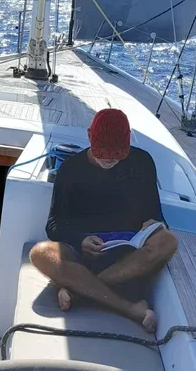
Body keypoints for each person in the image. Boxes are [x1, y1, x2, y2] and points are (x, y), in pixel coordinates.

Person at [29, 108, 178, 332]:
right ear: (89, 137)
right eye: (102, 153)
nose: (109, 160)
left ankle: (79, 290)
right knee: (40, 253)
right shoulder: (71, 169)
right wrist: (80, 240)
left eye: (117, 155)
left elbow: (156, 214)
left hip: (128, 254)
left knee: (168, 240)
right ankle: (129, 308)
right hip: (83, 252)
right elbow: (53, 224)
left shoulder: (142, 162)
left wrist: (156, 224)